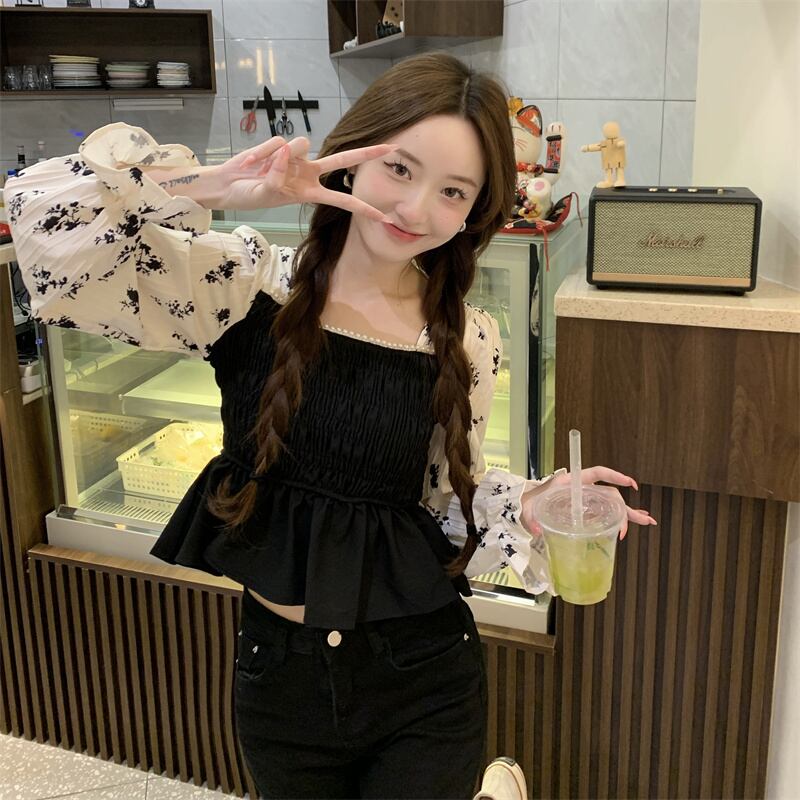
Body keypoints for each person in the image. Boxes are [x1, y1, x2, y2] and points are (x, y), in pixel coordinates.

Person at [4, 53, 656, 799]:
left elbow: (442, 501)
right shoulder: (245, 283)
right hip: (281, 683)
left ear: (473, 213)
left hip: (424, 677)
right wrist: (221, 188)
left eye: (453, 191)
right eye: (400, 169)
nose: (415, 209)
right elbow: (50, 242)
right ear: (354, 157)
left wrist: (532, 502)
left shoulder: (467, 338)